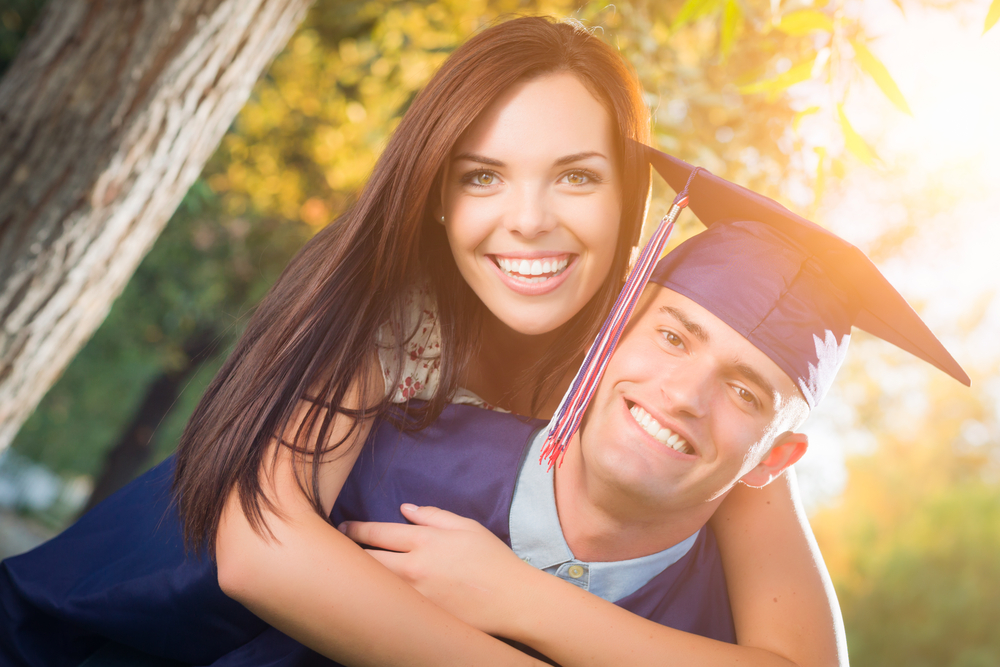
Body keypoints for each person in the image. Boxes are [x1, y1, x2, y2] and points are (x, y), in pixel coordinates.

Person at [1, 16, 845, 667]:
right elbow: (264, 549)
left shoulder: (677, 361)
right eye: (482, 174)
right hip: (133, 613)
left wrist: (520, 599)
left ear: (628, 203)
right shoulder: (396, 301)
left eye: (577, 177)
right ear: (437, 191)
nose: (527, 221)